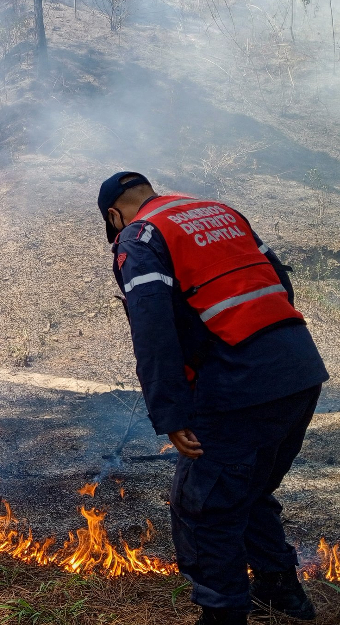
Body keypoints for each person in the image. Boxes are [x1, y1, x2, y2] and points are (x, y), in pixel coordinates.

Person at [97, 172, 327, 625]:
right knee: (250, 488)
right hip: (299, 370)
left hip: (240, 385)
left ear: (113, 214)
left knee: (203, 507)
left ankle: (223, 615)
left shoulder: (140, 236)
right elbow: (280, 283)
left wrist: (171, 412)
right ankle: (281, 593)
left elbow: (152, 330)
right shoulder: (220, 212)